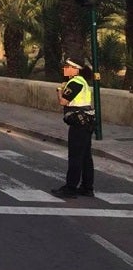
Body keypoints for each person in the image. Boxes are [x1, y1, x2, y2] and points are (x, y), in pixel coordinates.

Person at [51, 58, 96, 199]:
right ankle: (87, 188)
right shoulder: (83, 82)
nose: (65, 68)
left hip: (79, 123)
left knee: (75, 156)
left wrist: (59, 90)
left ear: (75, 69)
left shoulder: (75, 82)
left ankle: (70, 188)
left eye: (68, 66)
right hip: (87, 122)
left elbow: (63, 101)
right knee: (86, 157)